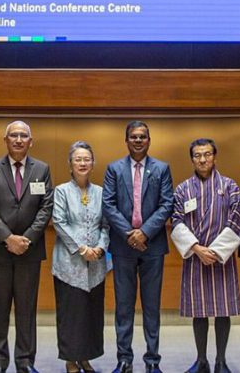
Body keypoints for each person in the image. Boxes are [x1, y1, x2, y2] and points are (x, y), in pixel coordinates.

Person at [0, 120, 54, 373]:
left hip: (29, 253)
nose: (19, 139)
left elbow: (46, 207)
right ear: (5, 140)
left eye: (24, 136)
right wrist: (7, 238)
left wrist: (27, 239)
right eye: (14, 135)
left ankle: (25, 363)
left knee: (26, 311)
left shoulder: (42, 169)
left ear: (31, 141)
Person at [102, 121, 174, 373]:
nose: (138, 140)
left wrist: (144, 232)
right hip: (123, 247)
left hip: (153, 246)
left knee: (152, 307)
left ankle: (152, 360)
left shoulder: (162, 169)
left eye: (143, 136)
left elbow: (167, 204)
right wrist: (129, 234)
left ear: (149, 140)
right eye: (134, 137)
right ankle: (124, 359)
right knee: (124, 307)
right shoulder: (114, 169)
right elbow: (108, 204)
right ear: (126, 141)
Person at [170, 139, 240, 373]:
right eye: (197, 155)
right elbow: (176, 221)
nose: (202, 159)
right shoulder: (183, 189)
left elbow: (237, 219)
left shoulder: (229, 186)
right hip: (195, 257)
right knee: (198, 311)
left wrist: (215, 251)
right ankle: (201, 360)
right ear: (192, 159)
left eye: (207, 154)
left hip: (222, 258)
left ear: (214, 156)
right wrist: (197, 248)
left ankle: (221, 361)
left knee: (223, 310)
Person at [52, 141, 109, 373]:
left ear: (93, 163)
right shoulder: (61, 191)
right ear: (70, 164)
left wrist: (100, 248)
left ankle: (85, 357)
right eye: (78, 159)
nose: (83, 163)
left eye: (87, 159)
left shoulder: (101, 193)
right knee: (71, 314)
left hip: (96, 265)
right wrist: (82, 248)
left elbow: (106, 225)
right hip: (68, 264)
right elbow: (59, 222)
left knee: (91, 315)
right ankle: (70, 359)